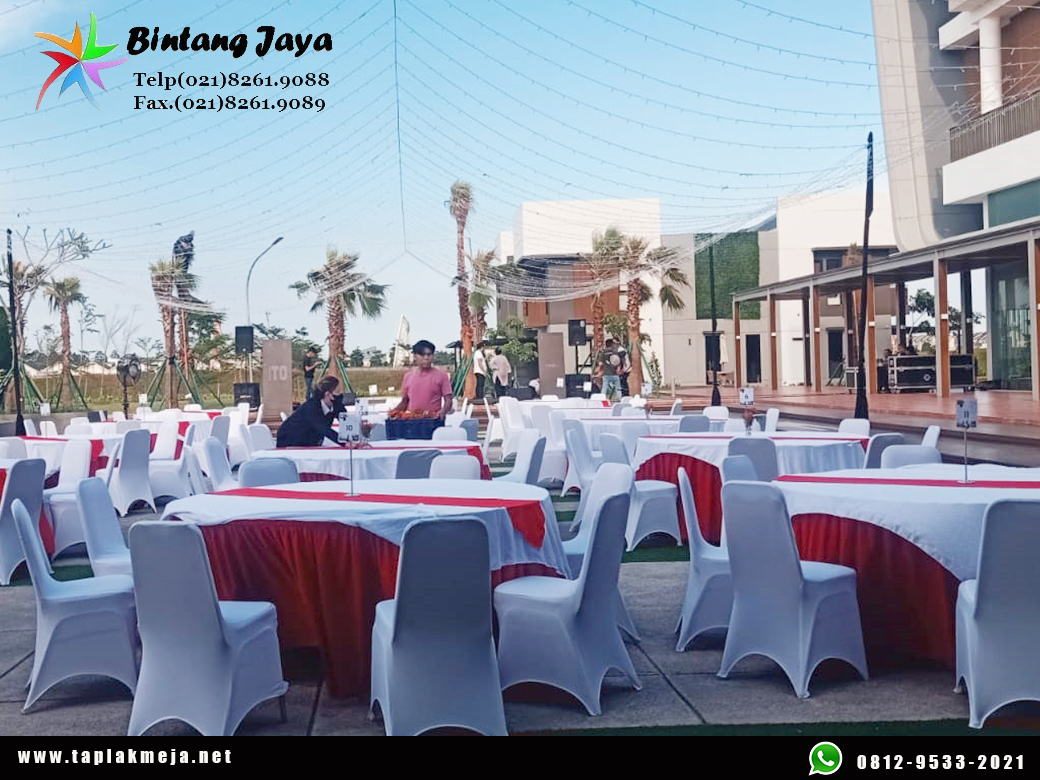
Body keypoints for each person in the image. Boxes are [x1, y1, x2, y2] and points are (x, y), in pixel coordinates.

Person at [276, 375, 346, 447]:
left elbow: (346, 420)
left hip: (309, 441)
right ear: (327, 394)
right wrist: (345, 442)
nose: (340, 395)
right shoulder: (312, 408)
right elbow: (324, 429)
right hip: (289, 442)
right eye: (337, 392)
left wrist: (350, 435)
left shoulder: (335, 405)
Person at [394, 340, 453, 418]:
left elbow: (448, 401)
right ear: (415, 356)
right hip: (412, 420)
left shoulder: (442, 376)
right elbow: (405, 401)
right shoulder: (408, 377)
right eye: (422, 355)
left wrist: (442, 412)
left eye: (429, 354)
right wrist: (394, 412)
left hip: (433, 420)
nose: (426, 358)